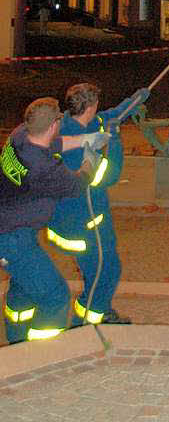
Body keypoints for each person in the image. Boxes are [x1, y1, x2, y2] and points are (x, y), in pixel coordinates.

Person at [0, 97, 109, 343]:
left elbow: (54, 144)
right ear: (52, 125)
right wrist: (92, 156)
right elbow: (79, 183)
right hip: (12, 239)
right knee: (55, 296)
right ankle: (42, 354)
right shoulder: (45, 169)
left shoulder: (19, 136)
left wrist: (84, 139)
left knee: (25, 287)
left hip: (12, 228)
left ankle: (16, 341)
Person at [47, 83, 150, 327]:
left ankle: (96, 314)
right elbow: (107, 176)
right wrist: (115, 143)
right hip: (80, 225)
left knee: (103, 272)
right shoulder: (71, 143)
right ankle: (85, 323)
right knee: (106, 273)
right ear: (91, 107)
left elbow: (112, 116)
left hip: (94, 221)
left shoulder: (80, 122)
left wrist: (136, 99)